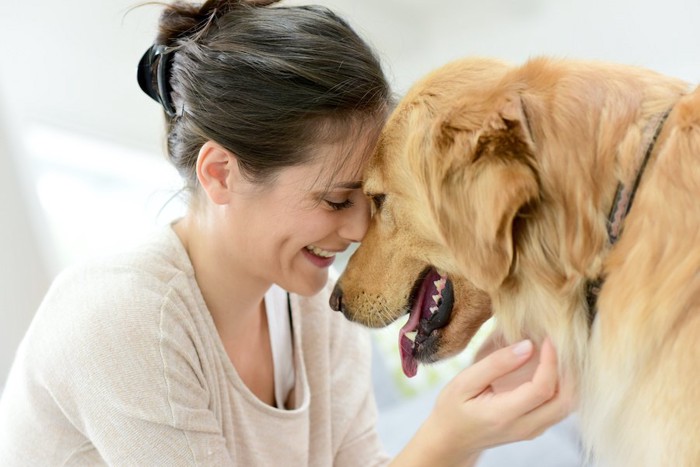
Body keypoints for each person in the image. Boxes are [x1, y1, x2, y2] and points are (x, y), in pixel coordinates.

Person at [0, 0, 574, 465]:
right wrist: (448, 437)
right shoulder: (123, 320)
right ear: (221, 174)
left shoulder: (314, 312)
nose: (357, 231)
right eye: (335, 200)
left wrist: (471, 420)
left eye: (371, 200)